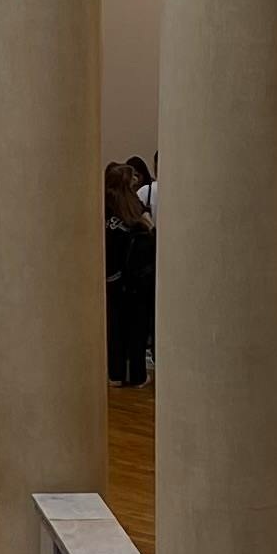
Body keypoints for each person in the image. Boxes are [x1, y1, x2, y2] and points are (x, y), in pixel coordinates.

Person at [105, 163, 156, 388]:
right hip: (135, 279)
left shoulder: (103, 206)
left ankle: (115, 373)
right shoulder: (135, 207)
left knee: (115, 327)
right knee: (136, 326)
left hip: (111, 278)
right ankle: (136, 375)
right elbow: (149, 229)